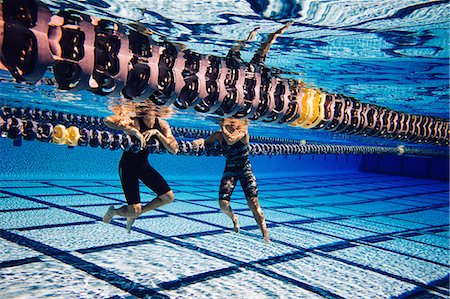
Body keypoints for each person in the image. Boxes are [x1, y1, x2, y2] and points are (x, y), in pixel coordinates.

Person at [102, 101, 178, 232]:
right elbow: (108, 120)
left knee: (168, 197)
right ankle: (113, 212)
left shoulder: (161, 125)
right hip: (127, 166)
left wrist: (157, 133)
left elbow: (174, 149)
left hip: (143, 165)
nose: (148, 111)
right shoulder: (134, 120)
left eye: (152, 108)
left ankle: (135, 214)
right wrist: (132, 131)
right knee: (134, 210)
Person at [193, 118, 269, 243]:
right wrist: (200, 141)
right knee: (223, 204)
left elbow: (230, 140)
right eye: (230, 124)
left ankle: (265, 235)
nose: (233, 127)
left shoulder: (243, 131)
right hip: (230, 169)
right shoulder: (218, 135)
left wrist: (223, 126)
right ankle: (234, 217)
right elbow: (207, 143)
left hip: (245, 169)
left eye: (234, 124)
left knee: (253, 203)